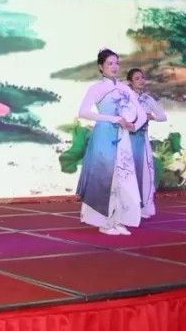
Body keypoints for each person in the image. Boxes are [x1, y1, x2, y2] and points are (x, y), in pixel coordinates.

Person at [75, 49, 147, 236]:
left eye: (116, 63)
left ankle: (119, 219)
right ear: (101, 67)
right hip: (105, 135)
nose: (114, 67)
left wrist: (133, 126)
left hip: (123, 136)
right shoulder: (96, 88)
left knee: (123, 178)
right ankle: (104, 222)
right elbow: (83, 112)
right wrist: (114, 119)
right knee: (106, 177)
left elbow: (140, 113)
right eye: (109, 63)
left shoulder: (125, 88)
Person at [127, 68, 164, 219]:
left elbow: (163, 116)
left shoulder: (148, 99)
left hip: (143, 140)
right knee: (128, 173)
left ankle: (144, 206)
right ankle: (128, 208)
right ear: (130, 82)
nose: (141, 81)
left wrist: (152, 117)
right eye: (137, 78)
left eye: (142, 77)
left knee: (147, 173)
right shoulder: (127, 98)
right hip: (127, 140)